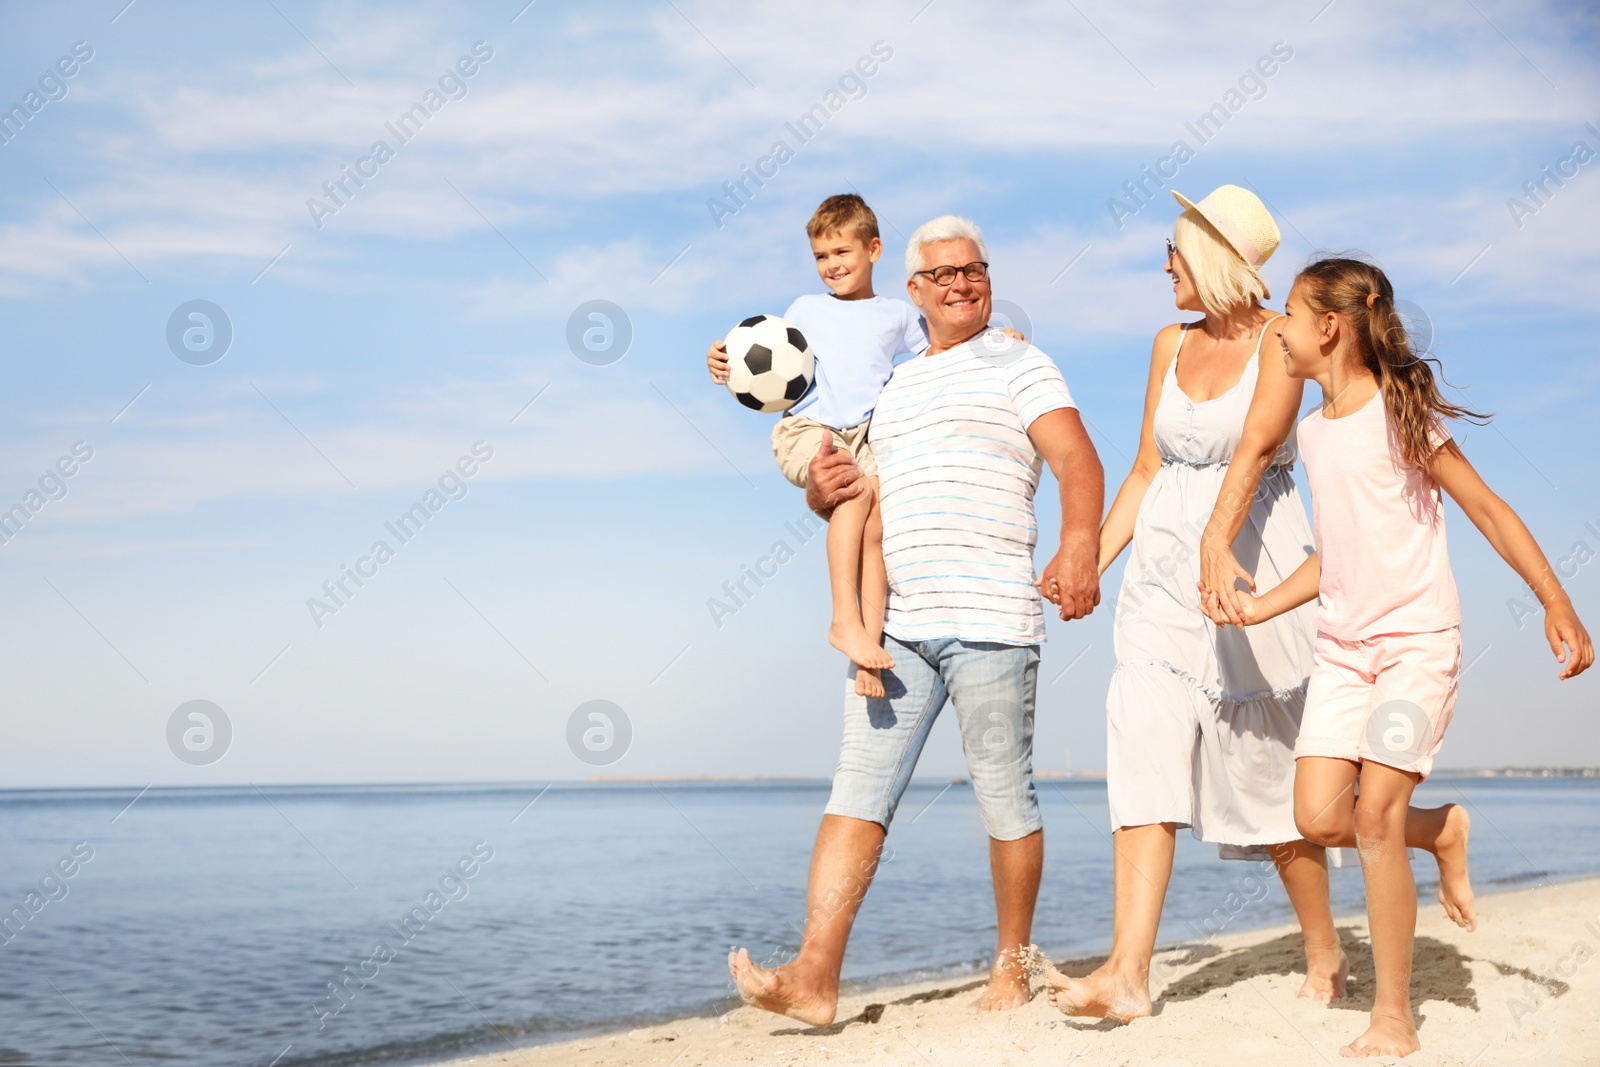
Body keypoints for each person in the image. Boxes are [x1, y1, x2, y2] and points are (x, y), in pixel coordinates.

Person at [1206, 254, 1593, 1058]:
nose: (1277, 330)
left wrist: (1556, 599)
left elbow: (1487, 508)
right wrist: (1260, 605)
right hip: (1346, 654)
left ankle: (1393, 1014)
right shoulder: (1312, 433)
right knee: (1315, 814)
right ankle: (1444, 831)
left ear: (1330, 327)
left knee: (1375, 815)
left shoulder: (1402, 412)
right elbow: (1336, 557)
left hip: (1418, 646)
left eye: (1289, 314)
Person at [728, 215, 1103, 1025]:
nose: (962, 283)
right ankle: (815, 977)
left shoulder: (1019, 359)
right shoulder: (892, 380)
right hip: (895, 627)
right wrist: (815, 489)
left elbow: (1078, 459)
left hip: (993, 617)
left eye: (975, 269)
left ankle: (1012, 965)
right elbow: (845, 483)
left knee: (1005, 797)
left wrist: (1080, 547)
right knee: (856, 793)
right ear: (914, 291)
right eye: (943, 274)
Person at [1045, 185, 1347, 1023]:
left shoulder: (1281, 344)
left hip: (1253, 579)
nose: (1164, 266)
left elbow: (1251, 457)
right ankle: (1127, 972)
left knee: (1273, 783)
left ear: (1210, 257)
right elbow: (1146, 468)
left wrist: (1218, 543)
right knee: (1141, 739)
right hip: (1162, 586)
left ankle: (1326, 949)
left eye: (1174, 252)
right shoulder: (1166, 343)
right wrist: (1087, 564)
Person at [707, 193, 926, 697]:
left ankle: (869, 649)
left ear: (873, 250)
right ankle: (842, 620)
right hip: (810, 429)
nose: (831, 266)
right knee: (854, 494)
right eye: (821, 257)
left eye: (842, 253)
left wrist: (1001, 341)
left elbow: (943, 342)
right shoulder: (804, 309)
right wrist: (717, 361)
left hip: (866, 434)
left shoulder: (896, 315)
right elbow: (748, 355)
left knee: (877, 533)